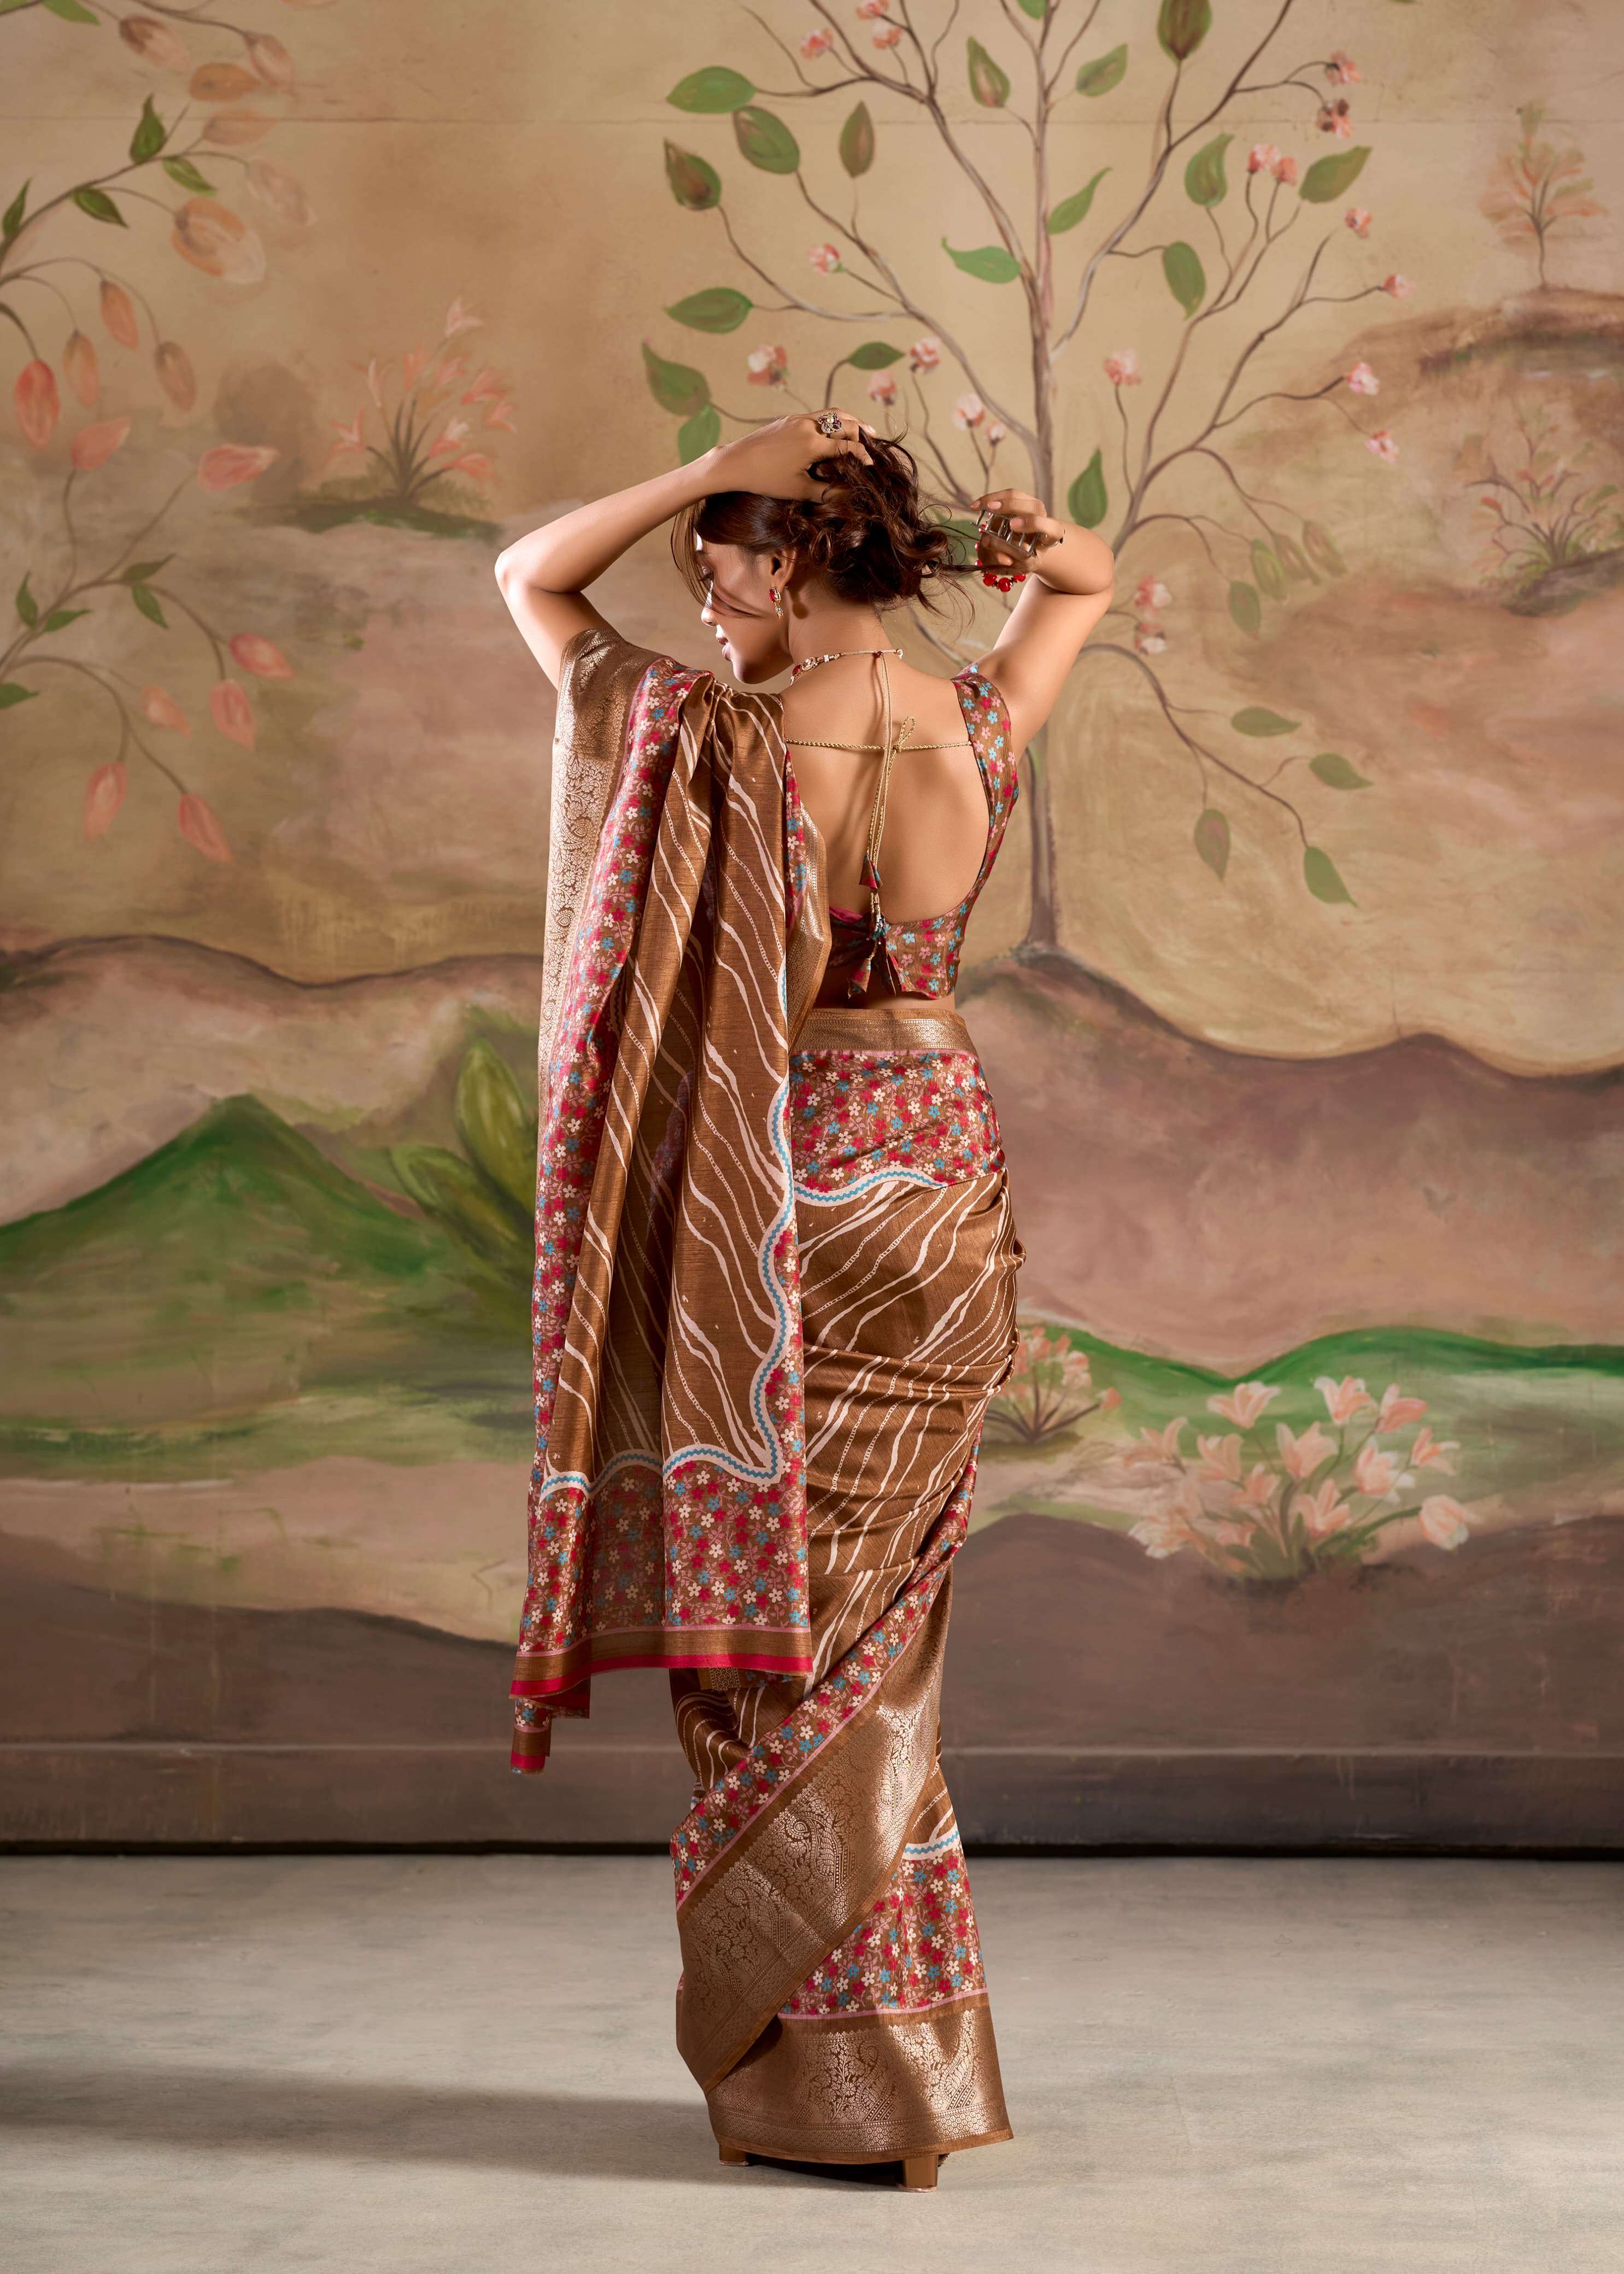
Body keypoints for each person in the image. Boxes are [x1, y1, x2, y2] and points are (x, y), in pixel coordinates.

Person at [494, 411, 1112, 2190]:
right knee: (880, 1629)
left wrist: (704, 463)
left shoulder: (718, 740)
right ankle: (888, 2067)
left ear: (782, 558)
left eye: (720, 564)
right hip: (941, 1178)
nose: (706, 599)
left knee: (765, 1631)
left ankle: (829, 2075)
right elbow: (1085, 580)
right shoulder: (974, 721)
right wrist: (1012, 543)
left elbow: (531, 579)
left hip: (783, 1187)